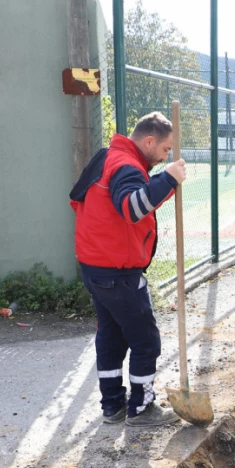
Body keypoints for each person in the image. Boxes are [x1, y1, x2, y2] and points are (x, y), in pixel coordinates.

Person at [69, 112, 187, 427]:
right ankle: (142, 407)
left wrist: (163, 183)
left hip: (95, 267)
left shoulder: (108, 157)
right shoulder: (125, 166)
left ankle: (112, 406)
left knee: (111, 336)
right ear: (149, 141)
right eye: (165, 150)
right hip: (117, 272)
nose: (165, 157)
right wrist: (169, 179)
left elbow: (80, 198)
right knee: (146, 340)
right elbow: (132, 208)